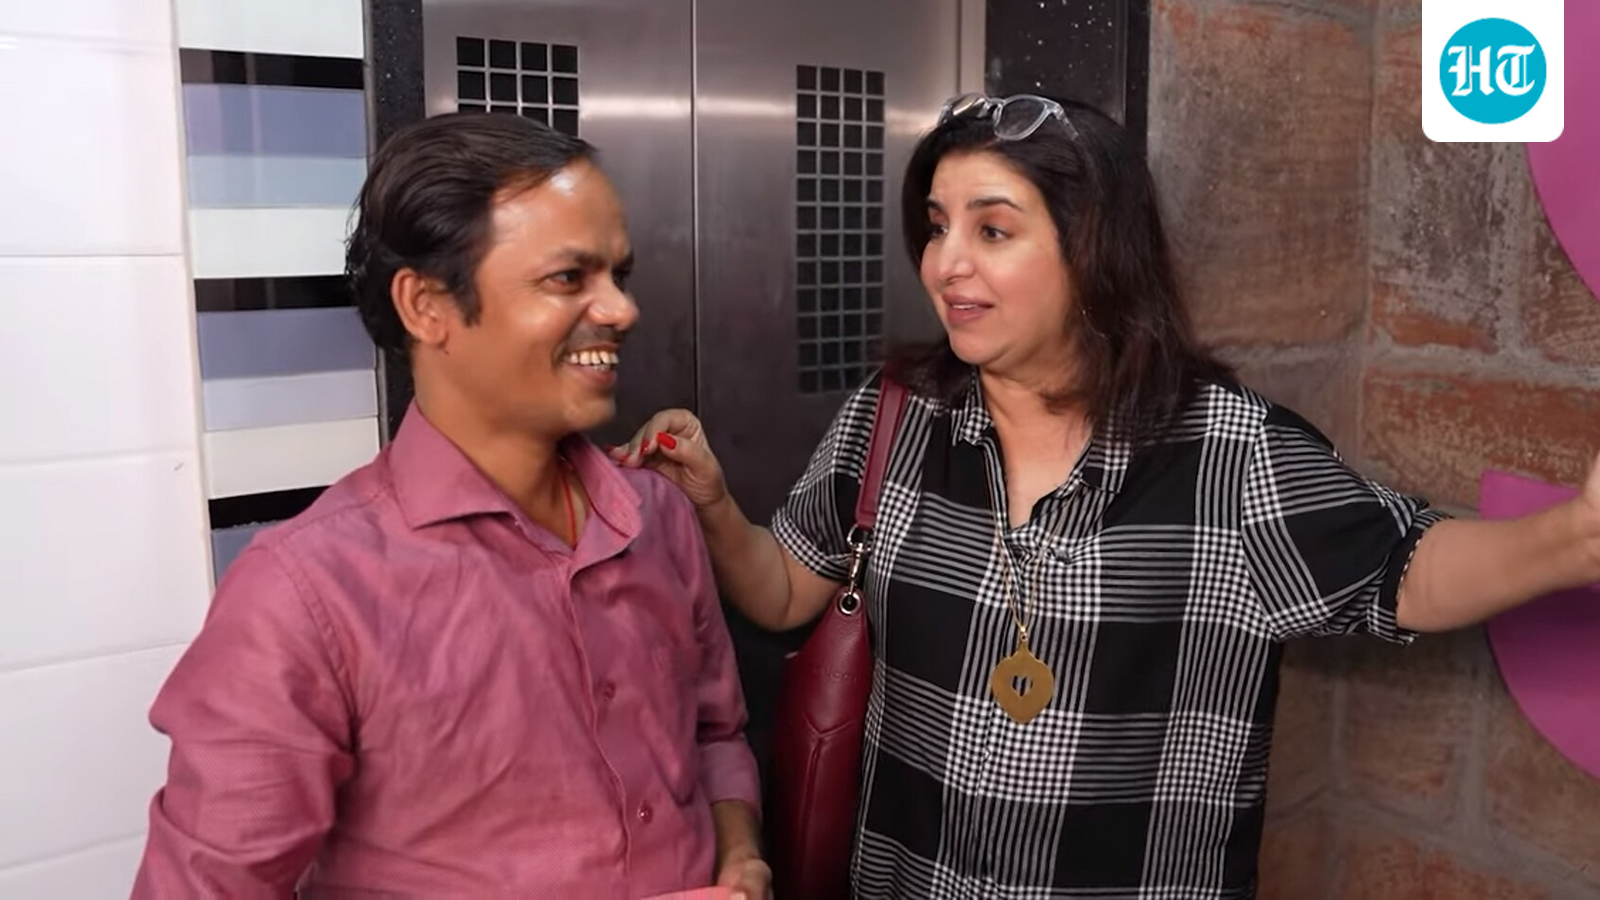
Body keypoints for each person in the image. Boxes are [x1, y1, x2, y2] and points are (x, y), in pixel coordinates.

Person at [615, 94, 1600, 898]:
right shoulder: (897, 415)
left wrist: (1572, 538)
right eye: (937, 226)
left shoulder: (1224, 450)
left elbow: (1406, 571)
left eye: (992, 229)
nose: (946, 263)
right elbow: (786, 589)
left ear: (1092, 249)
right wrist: (712, 504)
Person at [133, 112, 769, 898]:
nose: (620, 309)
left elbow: (714, 733)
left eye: (619, 275)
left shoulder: (657, 517)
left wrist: (740, 855)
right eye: (568, 278)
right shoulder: (303, 596)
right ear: (427, 306)